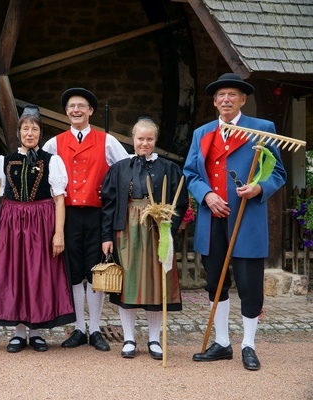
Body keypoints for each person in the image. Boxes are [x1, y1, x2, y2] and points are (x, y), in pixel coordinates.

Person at [184, 73, 287, 370]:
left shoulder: (262, 129)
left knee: (249, 284)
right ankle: (223, 342)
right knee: (215, 282)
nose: (226, 100)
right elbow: (190, 173)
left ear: (243, 100)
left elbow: (277, 172)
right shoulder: (202, 133)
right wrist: (206, 196)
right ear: (215, 102)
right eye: (221, 96)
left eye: (232, 95)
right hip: (212, 218)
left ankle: (249, 345)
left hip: (246, 218)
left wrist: (258, 188)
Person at [43, 88, 129, 351]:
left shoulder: (107, 141)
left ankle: (95, 329)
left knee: (96, 273)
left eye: (81, 106)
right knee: (74, 272)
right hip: (66, 215)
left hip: (96, 214)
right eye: (71, 106)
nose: (76, 110)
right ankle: (79, 327)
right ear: (66, 112)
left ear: (90, 111)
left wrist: (112, 192)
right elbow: (40, 173)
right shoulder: (55, 143)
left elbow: (126, 169)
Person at [0, 106, 75, 353]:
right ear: (18, 133)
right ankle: (18, 333)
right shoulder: (4, 161)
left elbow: (59, 199)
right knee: (15, 273)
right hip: (12, 223)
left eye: (34, 129)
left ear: (40, 133)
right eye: (25, 129)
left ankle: (35, 331)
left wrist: (58, 233)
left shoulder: (52, 161)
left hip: (41, 222)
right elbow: (0, 197)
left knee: (38, 273)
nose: (30, 133)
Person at [101, 118, 188, 359]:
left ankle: (154, 339)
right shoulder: (119, 168)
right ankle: (128, 338)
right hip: (126, 232)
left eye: (149, 139)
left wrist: (169, 228)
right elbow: (108, 204)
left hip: (157, 232)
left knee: (156, 284)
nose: (145, 143)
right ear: (133, 139)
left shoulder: (170, 168)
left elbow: (180, 201)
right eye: (140, 138)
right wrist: (106, 236)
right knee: (127, 286)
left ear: (155, 140)